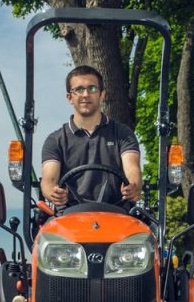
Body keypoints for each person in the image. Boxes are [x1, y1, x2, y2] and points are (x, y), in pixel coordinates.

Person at [40, 65, 142, 209]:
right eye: (79, 89)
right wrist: (53, 191)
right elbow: (49, 179)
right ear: (69, 97)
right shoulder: (56, 140)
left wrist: (133, 185)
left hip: (117, 214)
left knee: (145, 230)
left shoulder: (122, 133)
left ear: (102, 95)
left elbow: (132, 168)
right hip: (68, 218)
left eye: (92, 89)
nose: (86, 94)